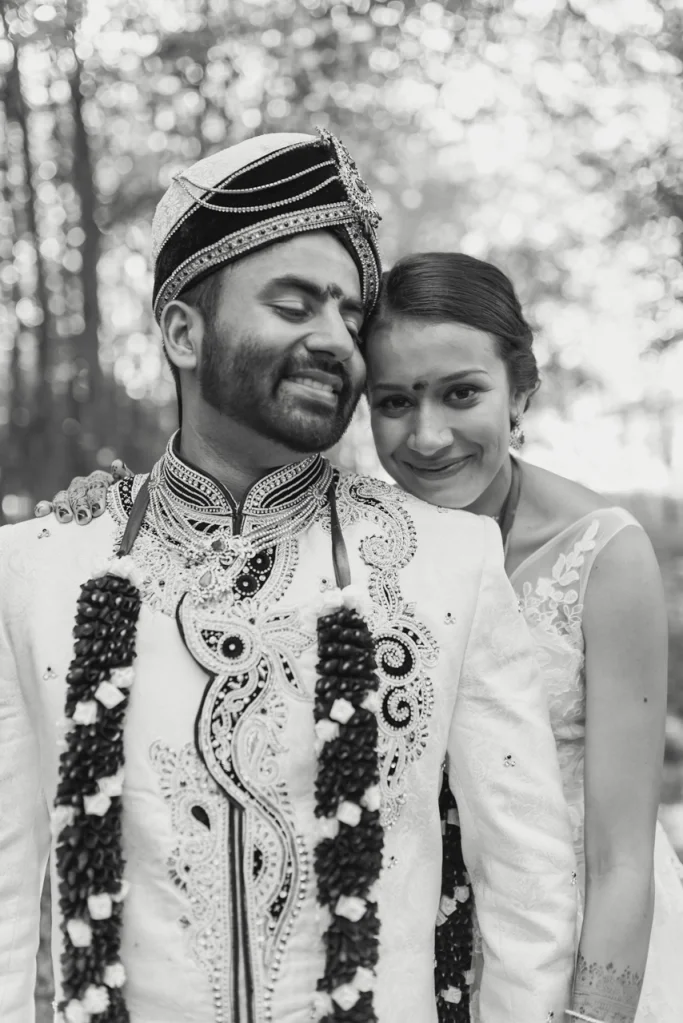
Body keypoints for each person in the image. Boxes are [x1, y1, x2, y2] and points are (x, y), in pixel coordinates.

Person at [0, 134, 578, 1023]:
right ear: (183, 331)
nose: (336, 341)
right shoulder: (38, 569)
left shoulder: (447, 561)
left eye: (350, 316)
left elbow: (527, 885)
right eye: (295, 304)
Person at [56, 250, 683, 1023]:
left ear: (521, 393)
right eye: (392, 402)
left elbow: (620, 856)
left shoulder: (603, 555)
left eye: (462, 394)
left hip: (582, 953)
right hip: (401, 954)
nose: (427, 436)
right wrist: (112, 509)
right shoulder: (355, 546)